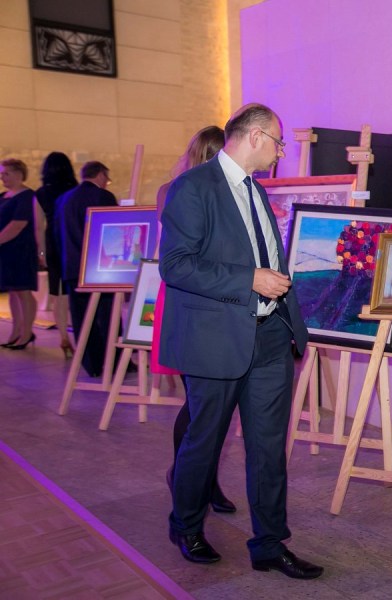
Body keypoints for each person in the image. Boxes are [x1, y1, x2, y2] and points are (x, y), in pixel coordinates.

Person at [159, 103, 323, 579]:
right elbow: (176, 265)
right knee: (205, 440)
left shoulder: (255, 190)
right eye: (278, 142)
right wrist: (248, 279)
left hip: (270, 336)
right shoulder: (194, 187)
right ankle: (186, 526)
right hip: (215, 339)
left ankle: (270, 544)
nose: (280, 152)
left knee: (269, 448)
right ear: (254, 136)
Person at [151, 125, 236, 514]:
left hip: (213, 301)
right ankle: (187, 477)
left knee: (209, 405)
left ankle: (201, 479)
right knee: (201, 405)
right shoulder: (181, 191)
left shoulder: (187, 188)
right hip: (191, 300)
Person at [56, 161, 117, 377]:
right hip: (100, 269)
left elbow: (57, 235)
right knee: (107, 317)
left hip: (72, 267)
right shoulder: (103, 196)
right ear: (100, 174)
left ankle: (91, 364)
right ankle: (113, 362)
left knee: (81, 318)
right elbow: (112, 233)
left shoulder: (63, 199)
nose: (106, 183)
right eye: (107, 178)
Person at [34, 152, 78, 357]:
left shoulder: (41, 193)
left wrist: (41, 252)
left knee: (57, 293)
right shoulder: (75, 190)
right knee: (75, 291)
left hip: (53, 242)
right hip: (73, 241)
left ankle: (63, 336)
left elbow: (38, 226)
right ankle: (80, 334)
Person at [0, 158, 39, 350]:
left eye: (6, 173)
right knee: (13, 292)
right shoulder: (3, 196)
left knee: (23, 291)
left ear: (18, 174)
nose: (2, 177)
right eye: (1, 174)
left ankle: (26, 333)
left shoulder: (27, 196)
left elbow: (17, 225)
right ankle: (15, 330)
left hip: (21, 250)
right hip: (5, 250)